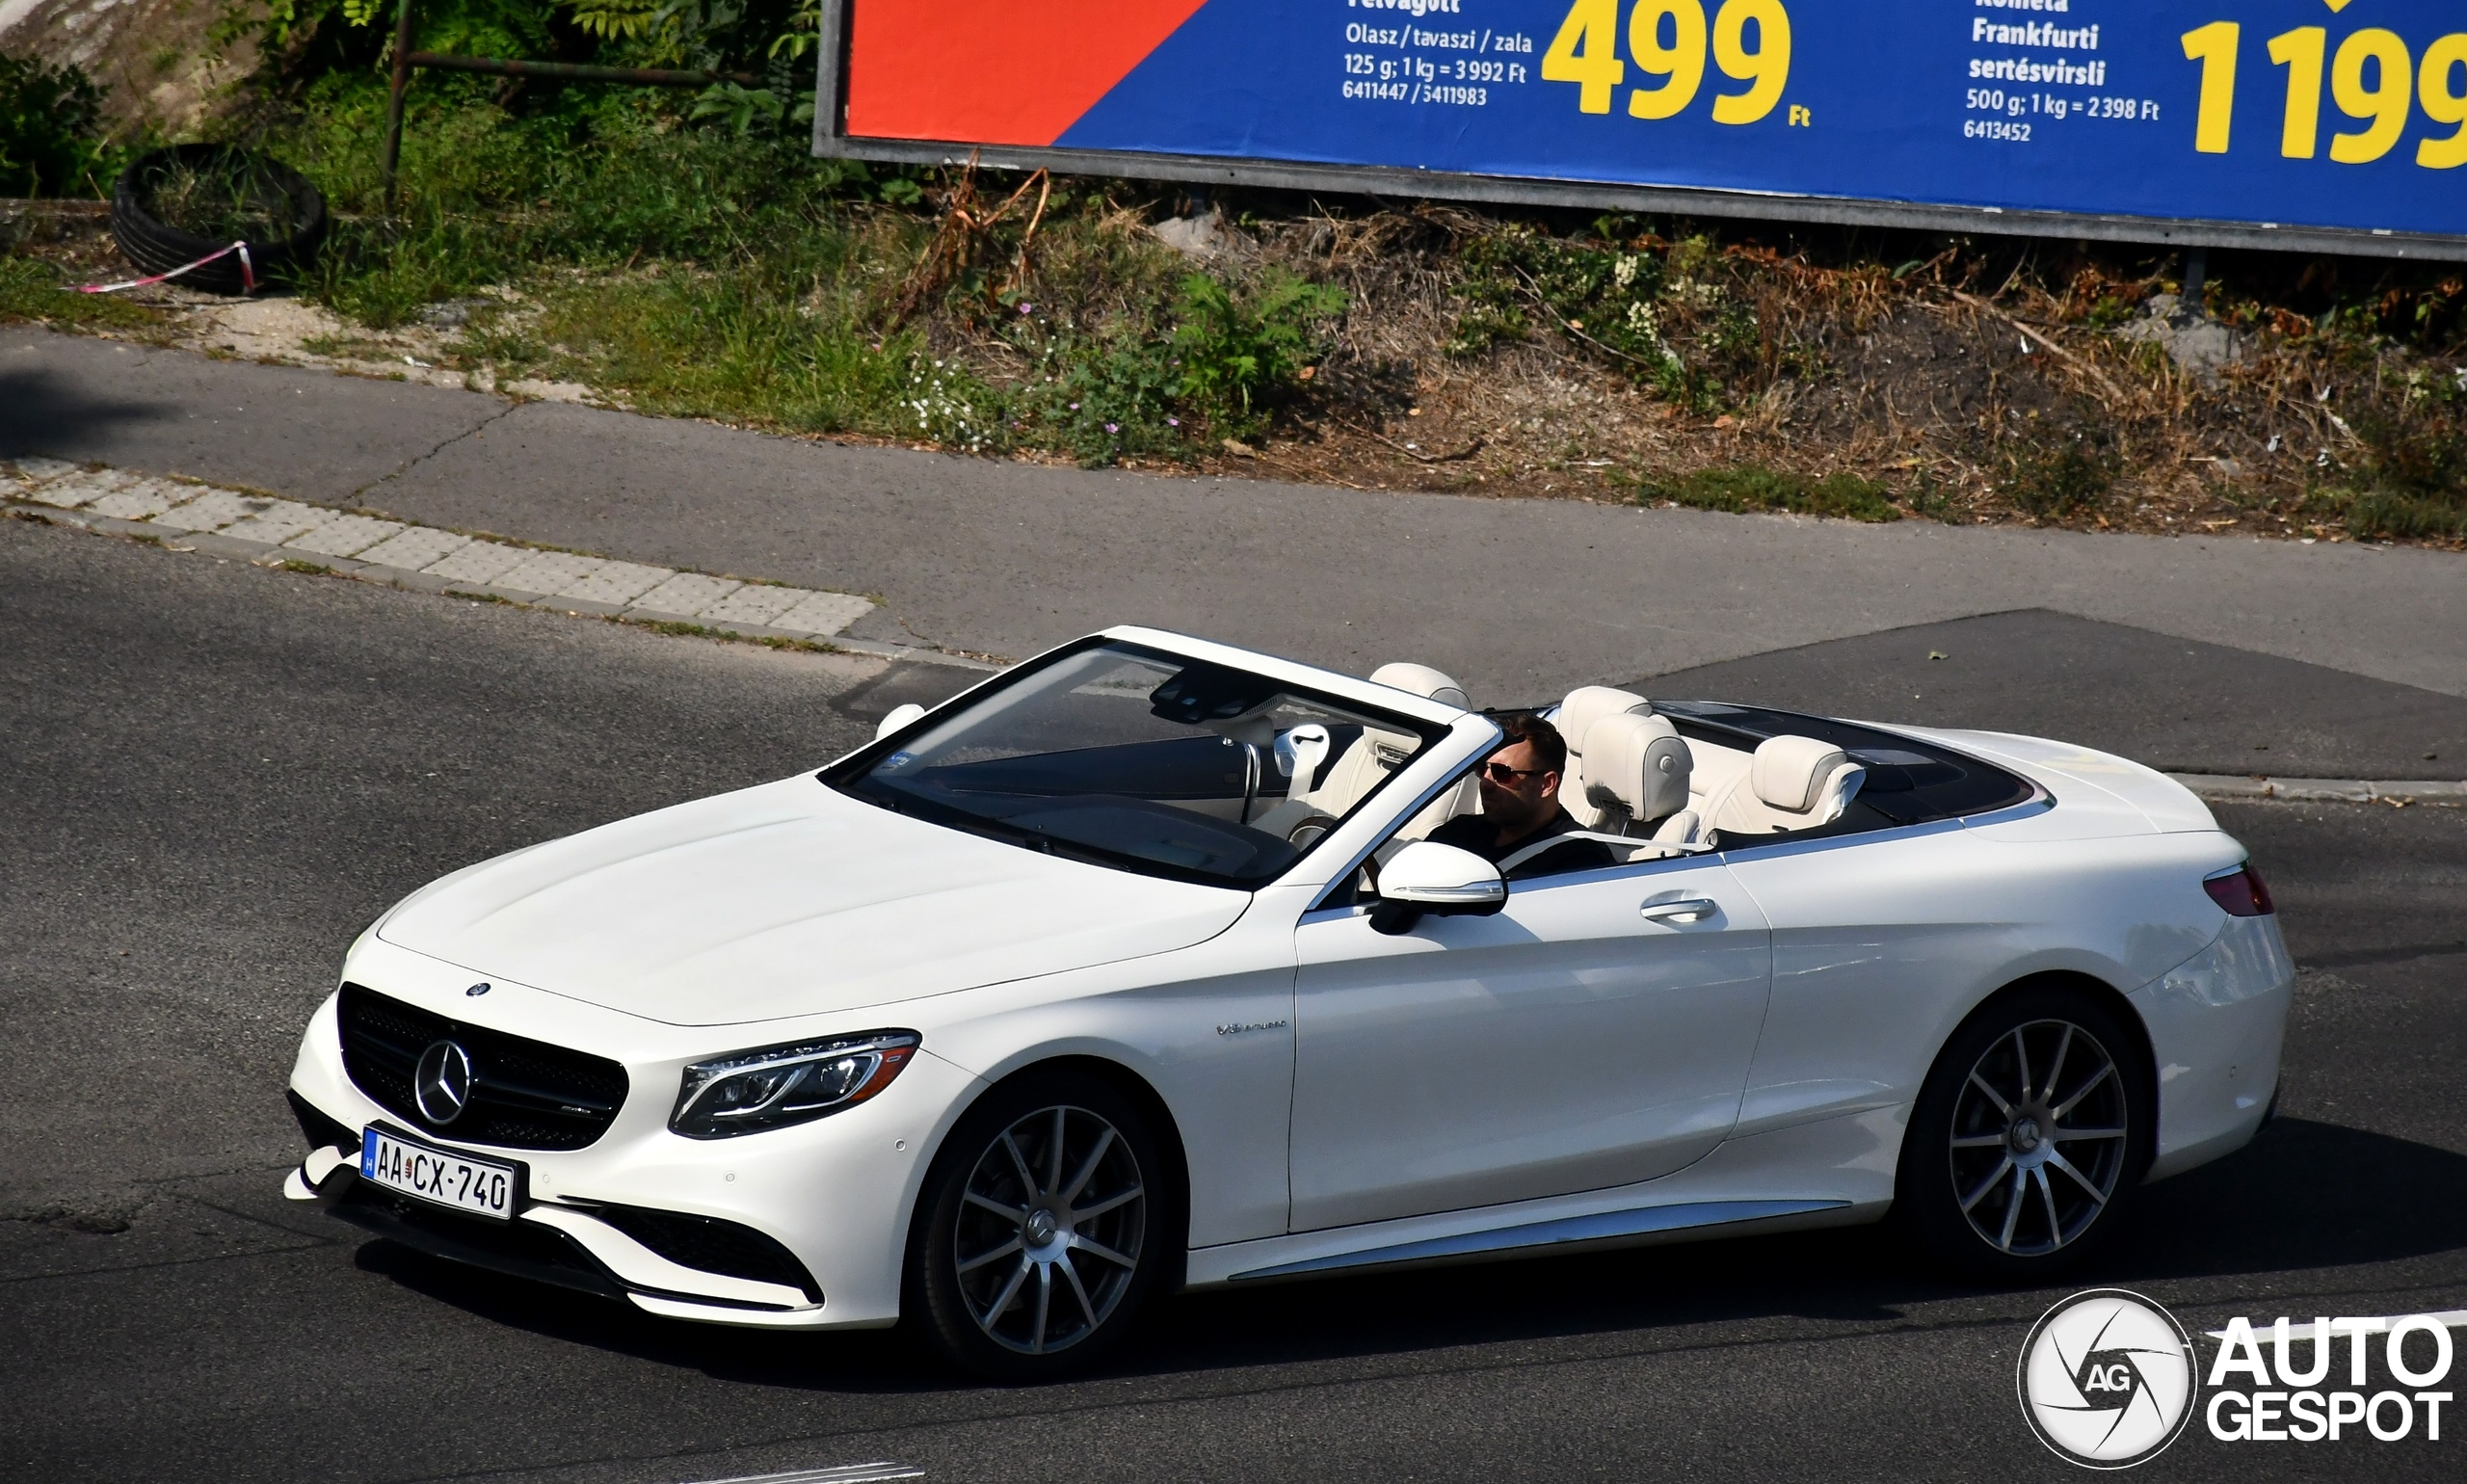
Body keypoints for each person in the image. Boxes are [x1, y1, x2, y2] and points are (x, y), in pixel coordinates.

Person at [1426, 713, 1616, 879]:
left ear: (1547, 785)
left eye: (1503, 773)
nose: (1485, 782)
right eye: (1482, 768)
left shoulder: (1579, 860)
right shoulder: (1459, 832)